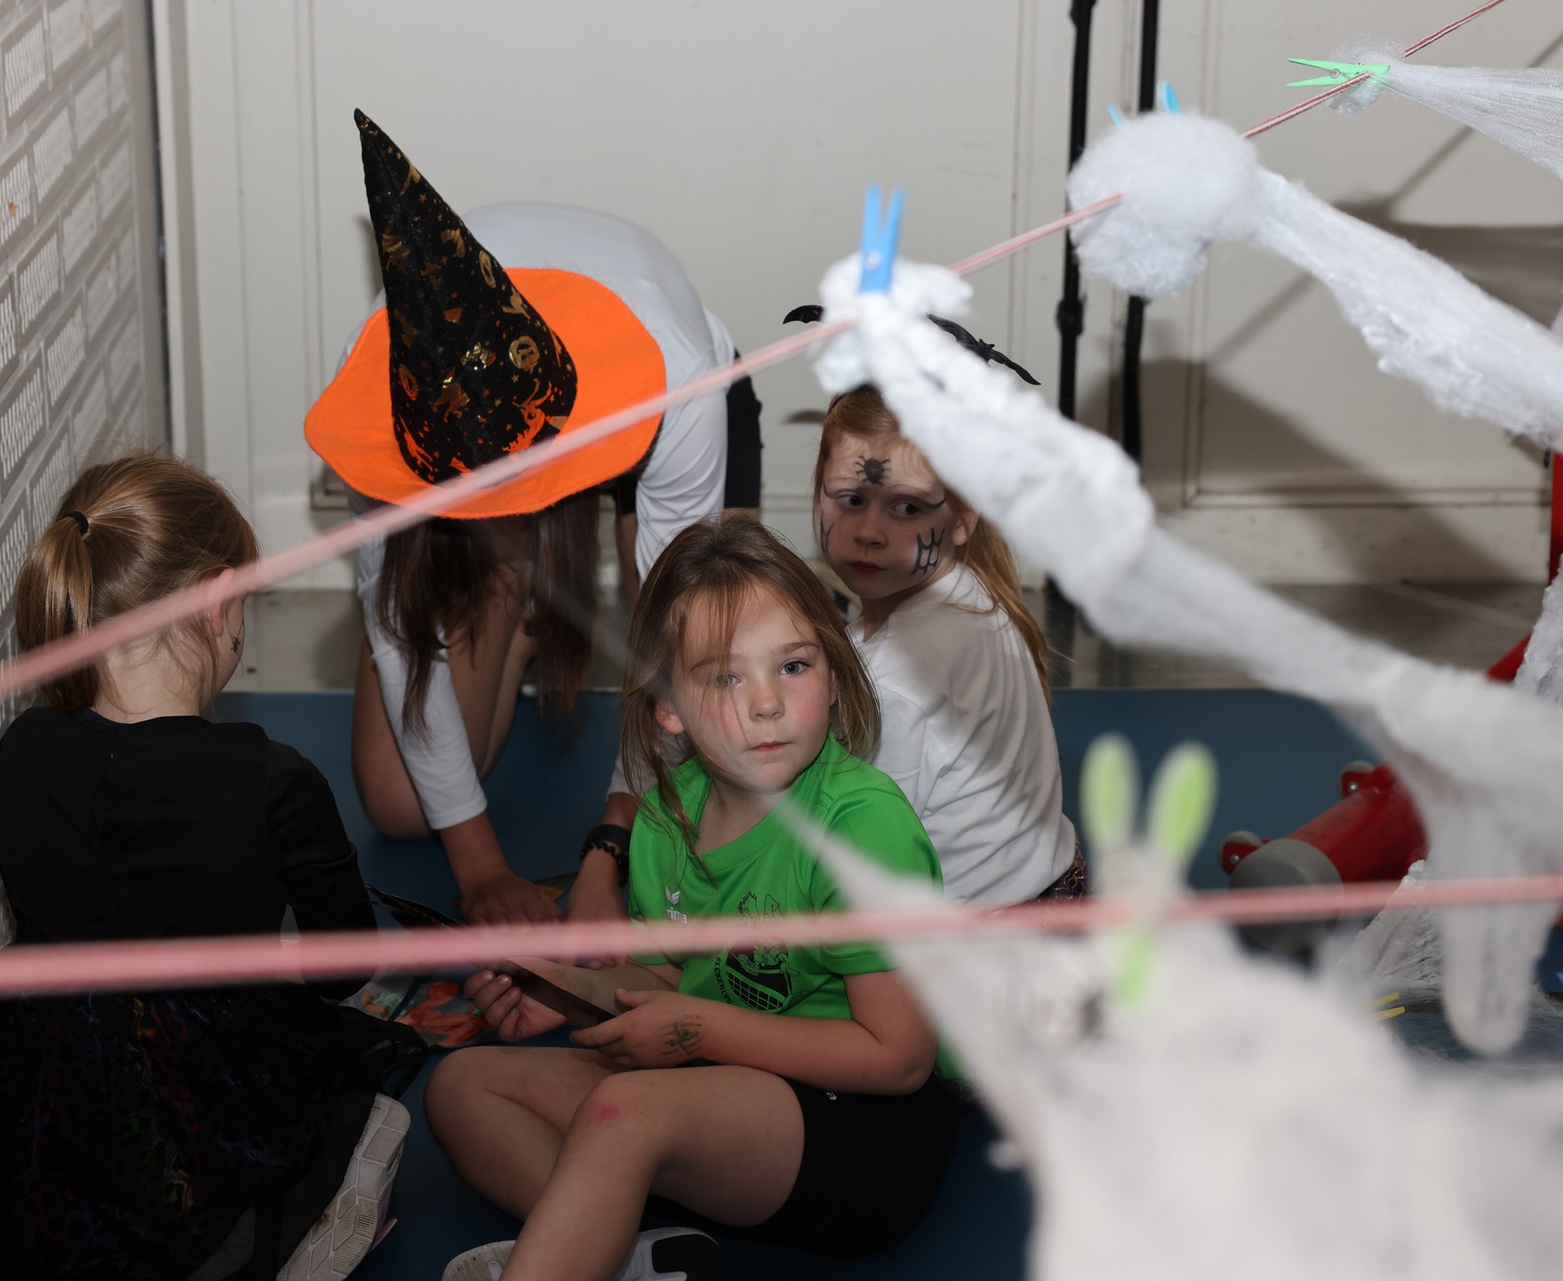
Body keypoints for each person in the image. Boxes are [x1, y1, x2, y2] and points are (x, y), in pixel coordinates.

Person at [429, 518, 961, 1281]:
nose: (767, 703)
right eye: (724, 678)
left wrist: (695, 1028)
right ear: (668, 706)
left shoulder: (861, 826)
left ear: (835, 670)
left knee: (625, 1112)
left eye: (793, 665)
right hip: (716, 1083)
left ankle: (591, 1228)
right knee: (462, 1085)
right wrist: (568, 989)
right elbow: (674, 974)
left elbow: (902, 1058)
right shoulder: (662, 818)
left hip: (865, 1125)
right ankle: (627, 1252)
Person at [0, 455, 426, 1280]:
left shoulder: (24, 749)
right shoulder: (272, 781)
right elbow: (342, 965)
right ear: (215, 600)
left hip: (33, 1088)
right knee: (362, 1090)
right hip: (194, 1089)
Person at [306, 111, 761, 928]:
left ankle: (540, 574)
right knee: (402, 802)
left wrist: (612, 844)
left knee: (714, 681)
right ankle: (526, 601)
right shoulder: (371, 399)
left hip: (652, 393)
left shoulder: (681, 381)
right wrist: (480, 867)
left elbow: (677, 630)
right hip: (502, 443)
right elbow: (394, 630)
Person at [790, 308, 1085, 906]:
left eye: (906, 508)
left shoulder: (898, 678)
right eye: (850, 499)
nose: (869, 532)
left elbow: (871, 858)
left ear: (963, 517)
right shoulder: (969, 591)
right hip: (1052, 884)